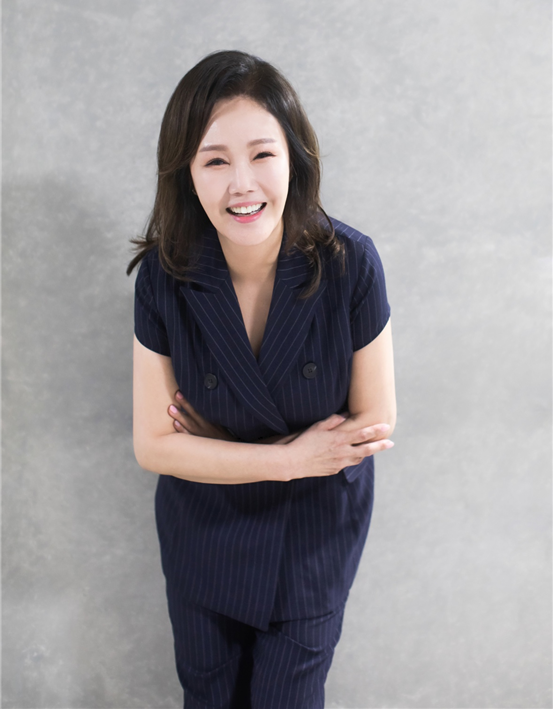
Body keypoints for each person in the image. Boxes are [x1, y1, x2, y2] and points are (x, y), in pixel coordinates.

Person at [128, 49, 396, 709]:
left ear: (294, 158)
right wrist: (291, 458)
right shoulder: (164, 275)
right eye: (215, 161)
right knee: (208, 695)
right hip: (204, 532)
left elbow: (372, 422)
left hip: (313, 537)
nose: (241, 184)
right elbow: (153, 446)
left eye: (262, 154)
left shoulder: (351, 263)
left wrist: (219, 445)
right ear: (186, 174)